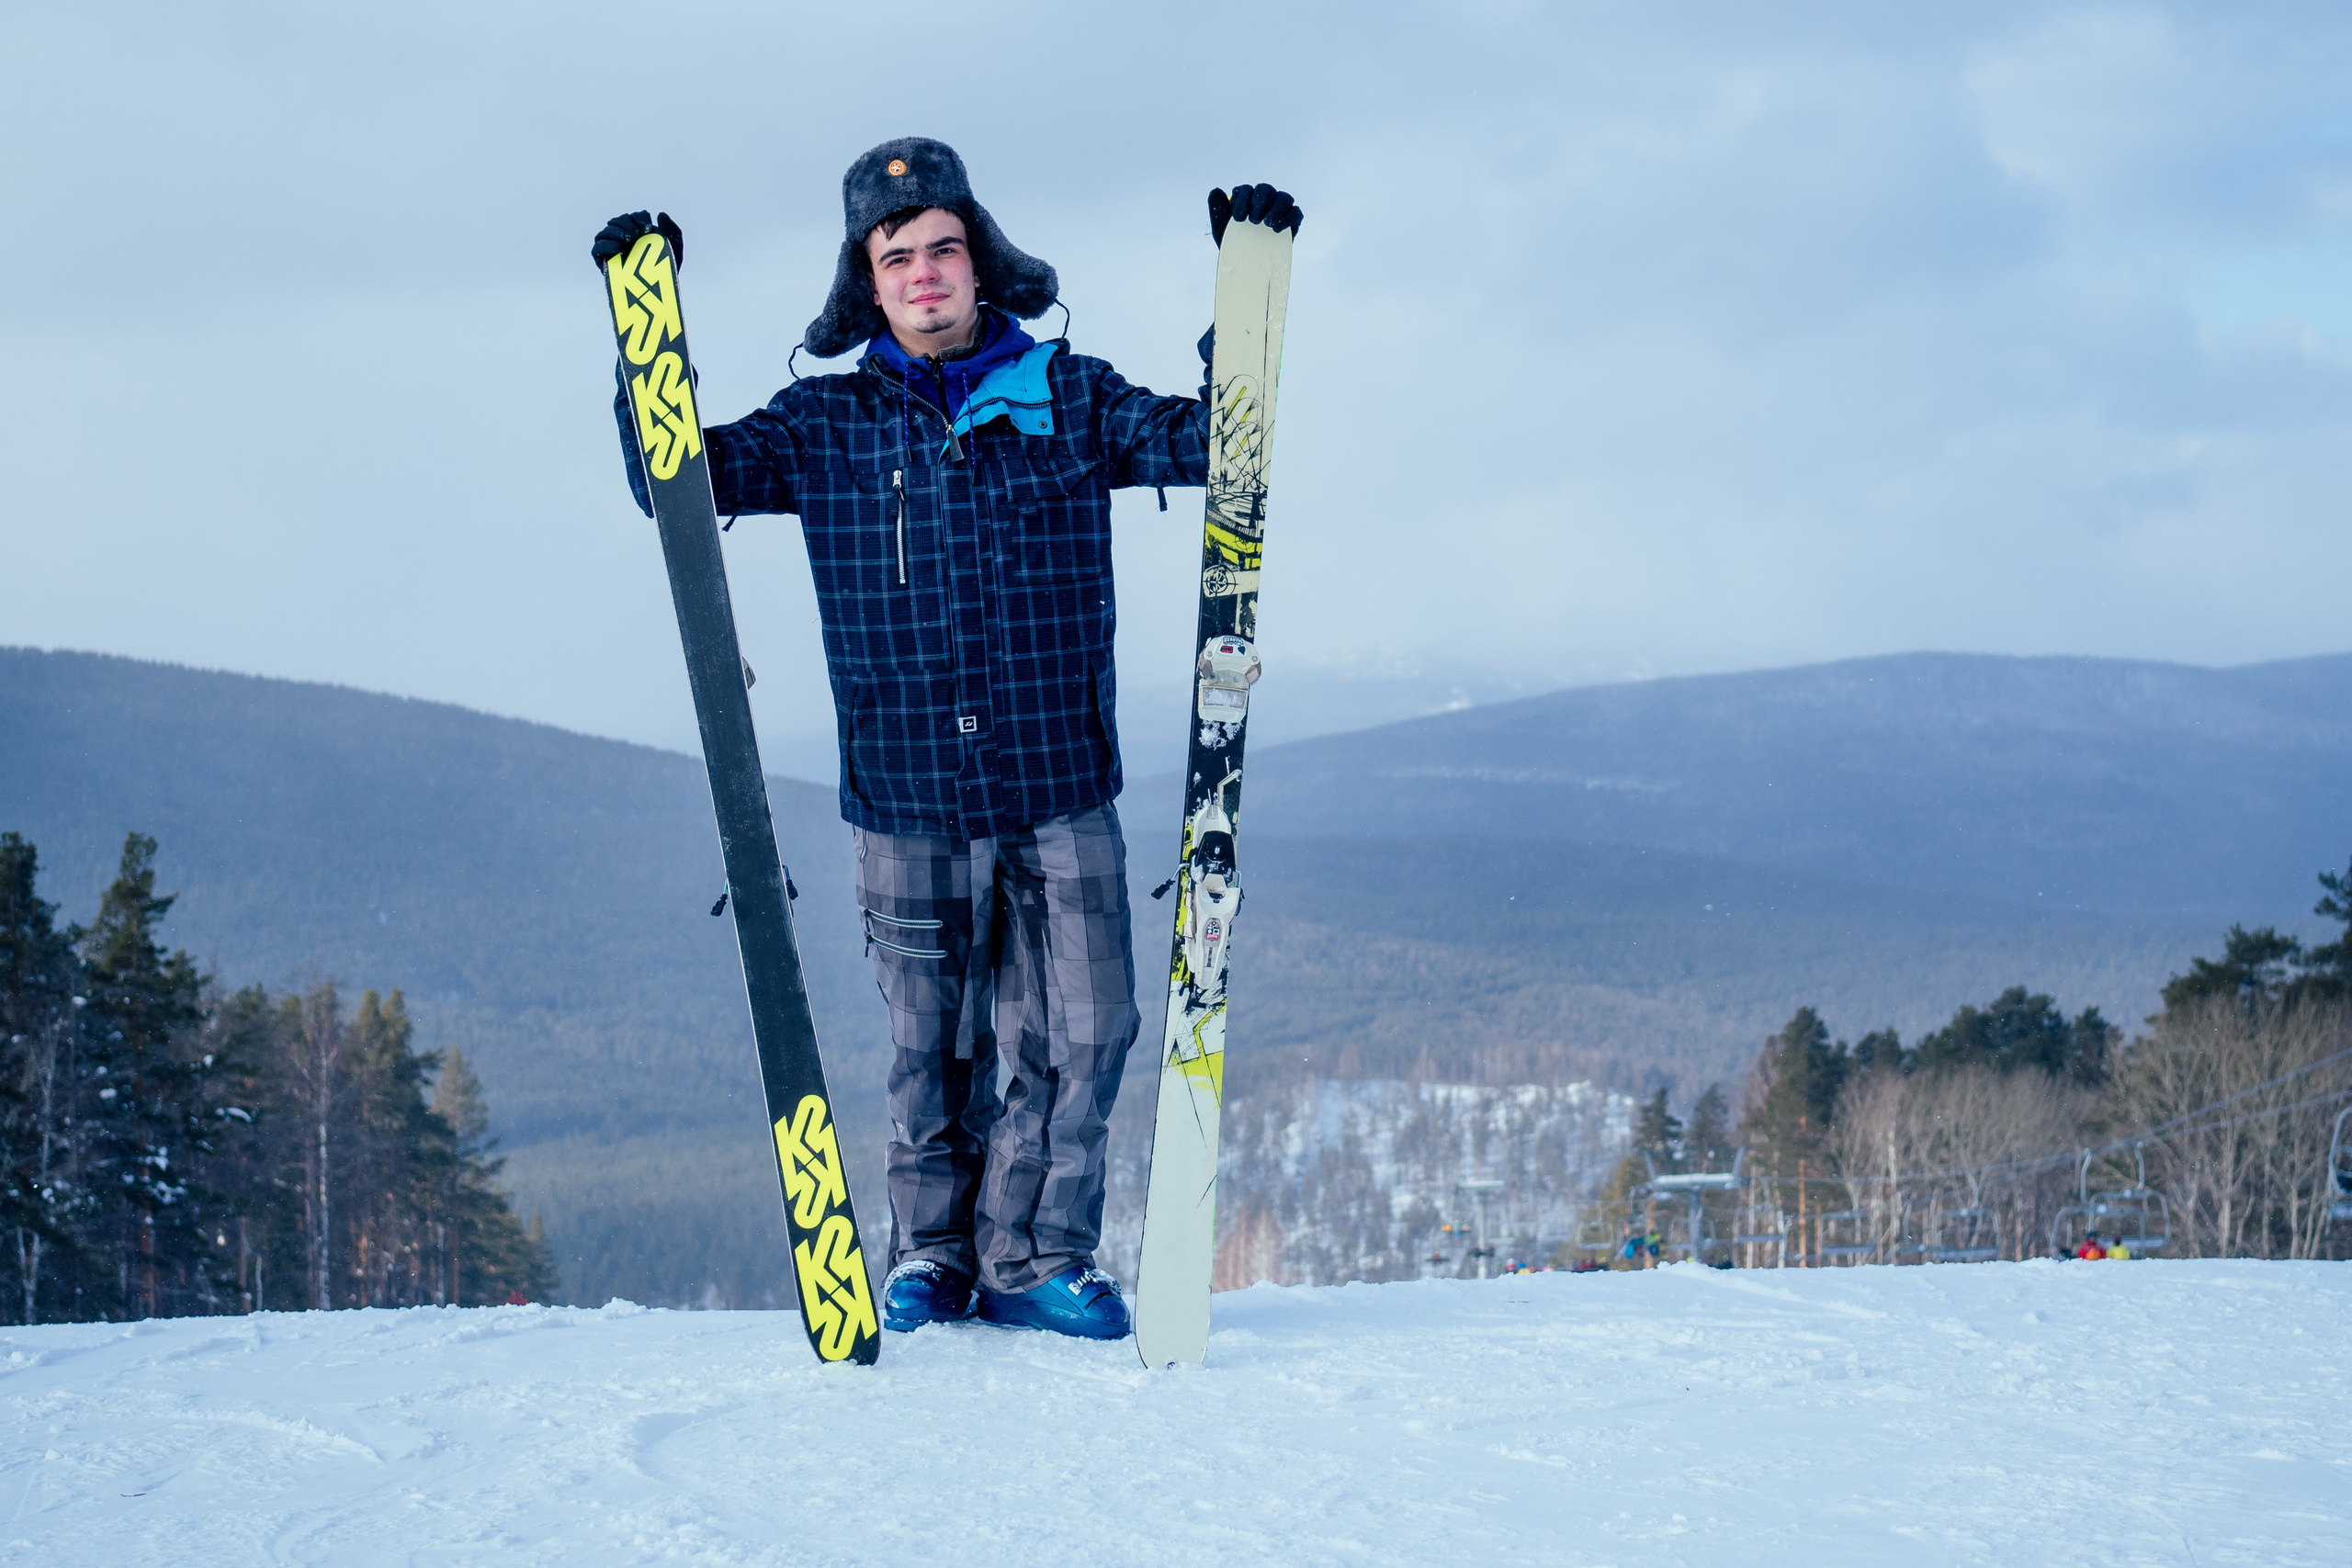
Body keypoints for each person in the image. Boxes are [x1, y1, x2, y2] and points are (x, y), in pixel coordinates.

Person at [593, 140, 1302, 1342]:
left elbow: (1211, 448)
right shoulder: (825, 424)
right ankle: (931, 1257)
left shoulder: (1069, 398)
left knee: (1087, 1027)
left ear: (981, 261)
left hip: (1056, 783)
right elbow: (678, 479)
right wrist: (645, 359)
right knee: (932, 1041)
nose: (924, 274)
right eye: (896, 256)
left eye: (942, 250)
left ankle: (1031, 1257)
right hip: (905, 794)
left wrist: (1248, 308)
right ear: (867, 283)